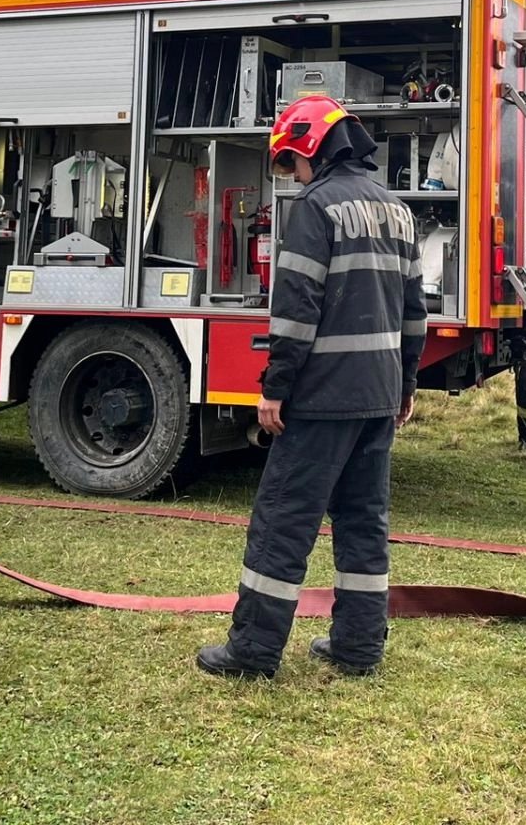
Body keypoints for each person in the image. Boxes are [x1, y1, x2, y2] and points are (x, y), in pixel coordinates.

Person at [197, 95, 426, 679]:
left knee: (283, 521)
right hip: (378, 394)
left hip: (322, 397)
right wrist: (404, 384)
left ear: (310, 149)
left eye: (292, 163)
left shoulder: (316, 208)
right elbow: (414, 312)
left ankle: (251, 652)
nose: (293, 176)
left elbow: (296, 312)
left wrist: (275, 387)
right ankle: (357, 647)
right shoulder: (397, 210)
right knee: (363, 522)